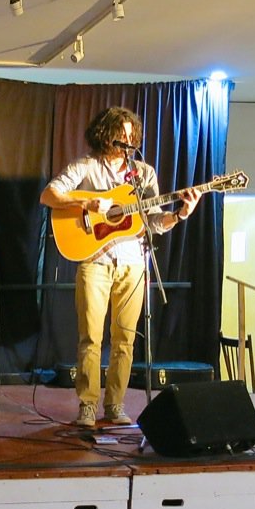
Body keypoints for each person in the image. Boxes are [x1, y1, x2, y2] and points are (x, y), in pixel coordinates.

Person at [39, 106, 201, 427]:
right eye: (121, 134)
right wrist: (85, 203)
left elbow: (153, 221)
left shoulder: (144, 175)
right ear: (105, 133)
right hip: (95, 261)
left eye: (131, 135)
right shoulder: (85, 166)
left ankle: (115, 405)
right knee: (91, 338)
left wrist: (180, 213)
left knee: (125, 338)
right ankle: (87, 404)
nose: (127, 140)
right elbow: (49, 195)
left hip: (133, 262)